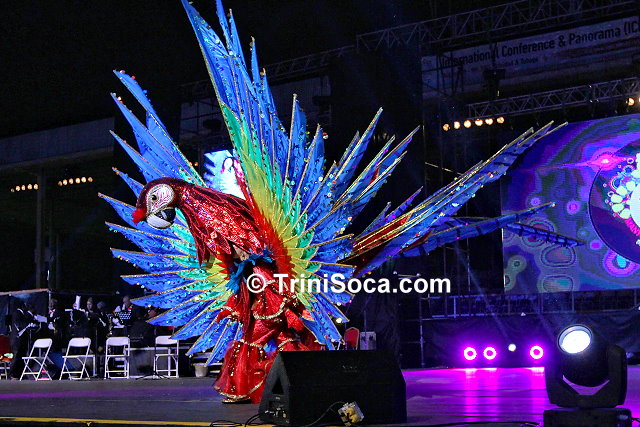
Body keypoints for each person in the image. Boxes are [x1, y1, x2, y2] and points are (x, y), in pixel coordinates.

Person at [9, 300, 36, 379]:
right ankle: (12, 374)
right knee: (16, 356)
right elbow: (18, 324)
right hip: (16, 339)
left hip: (21, 339)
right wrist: (28, 324)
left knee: (21, 356)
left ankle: (19, 373)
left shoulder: (21, 313)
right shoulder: (17, 313)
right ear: (22, 306)